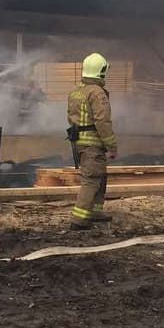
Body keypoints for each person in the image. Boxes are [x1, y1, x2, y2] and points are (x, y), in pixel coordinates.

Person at [66, 52, 117, 230]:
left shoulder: (76, 91)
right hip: (93, 144)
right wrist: (111, 145)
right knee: (92, 180)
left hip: (79, 142)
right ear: (101, 71)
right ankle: (78, 220)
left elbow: (70, 117)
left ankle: (95, 211)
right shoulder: (97, 93)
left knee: (100, 176)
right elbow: (102, 121)